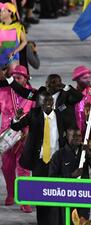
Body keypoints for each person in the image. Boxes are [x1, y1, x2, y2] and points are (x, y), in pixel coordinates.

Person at [10, 91, 68, 225]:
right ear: (39, 103)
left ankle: (56, 220)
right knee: (41, 194)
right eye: (45, 101)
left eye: (50, 101)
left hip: (56, 161)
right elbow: (15, 126)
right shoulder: (33, 114)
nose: (48, 103)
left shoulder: (60, 115)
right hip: (39, 161)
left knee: (56, 193)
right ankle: (42, 221)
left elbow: (71, 129)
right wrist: (17, 118)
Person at [49, 127, 91, 225]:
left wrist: (90, 155)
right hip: (65, 198)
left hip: (83, 197)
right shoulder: (59, 155)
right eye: (74, 136)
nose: (77, 139)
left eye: (79, 136)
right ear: (67, 137)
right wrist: (71, 176)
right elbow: (52, 179)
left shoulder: (85, 153)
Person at [0, 65, 34, 213]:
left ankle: (24, 200)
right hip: (7, 137)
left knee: (24, 170)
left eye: (18, 77)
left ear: (26, 79)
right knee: (7, 169)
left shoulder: (33, 95)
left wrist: (30, 132)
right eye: (13, 77)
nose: (15, 79)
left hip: (24, 137)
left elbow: (38, 117)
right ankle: (10, 193)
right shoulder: (3, 92)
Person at [5, 73, 83, 126]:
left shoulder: (66, 96)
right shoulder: (41, 94)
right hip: (42, 130)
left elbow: (79, 97)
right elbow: (23, 92)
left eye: (53, 82)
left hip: (62, 132)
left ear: (59, 85)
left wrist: (65, 87)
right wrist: (9, 79)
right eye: (47, 82)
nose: (48, 84)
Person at [0, 2, 27, 71]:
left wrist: (14, 52)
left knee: (12, 78)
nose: (0, 13)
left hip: (12, 58)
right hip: (1, 56)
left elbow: (24, 42)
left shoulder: (18, 27)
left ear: (10, 12)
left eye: (3, 11)